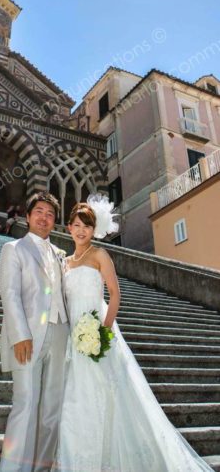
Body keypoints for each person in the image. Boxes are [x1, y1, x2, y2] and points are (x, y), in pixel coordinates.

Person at [54, 198, 213, 472]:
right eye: (77, 225)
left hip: (98, 328)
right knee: (77, 398)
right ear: (68, 228)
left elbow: (115, 295)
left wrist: (103, 331)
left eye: (87, 226)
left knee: (108, 393)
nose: (81, 231)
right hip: (74, 336)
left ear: (94, 230)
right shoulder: (65, 263)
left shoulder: (100, 255)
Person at [0, 192, 69, 472]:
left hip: (60, 334)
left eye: (50, 214)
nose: (44, 217)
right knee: (25, 404)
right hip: (27, 336)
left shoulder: (61, 255)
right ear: (27, 217)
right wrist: (19, 335)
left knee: (52, 409)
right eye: (39, 211)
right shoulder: (13, 249)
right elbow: (10, 293)